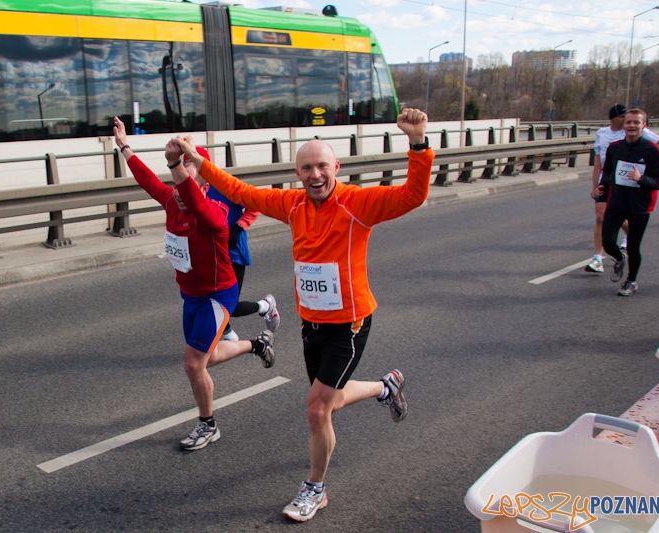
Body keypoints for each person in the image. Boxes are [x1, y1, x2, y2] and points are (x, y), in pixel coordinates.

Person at [172, 108, 433, 522]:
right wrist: (197, 161)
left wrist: (417, 142)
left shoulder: (358, 203)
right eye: (307, 168)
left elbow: (412, 195)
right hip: (312, 324)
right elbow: (239, 191)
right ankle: (384, 388)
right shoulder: (292, 205)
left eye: (322, 166)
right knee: (331, 401)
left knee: (316, 409)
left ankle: (315, 489)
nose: (315, 175)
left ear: (336, 168)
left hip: (349, 325)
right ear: (298, 174)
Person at [112, 117, 275, 451]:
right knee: (207, 358)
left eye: (186, 181)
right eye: (176, 184)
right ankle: (256, 344)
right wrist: (125, 146)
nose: (178, 190)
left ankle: (208, 425)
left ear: (203, 186)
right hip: (191, 297)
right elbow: (146, 179)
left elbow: (195, 200)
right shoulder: (171, 200)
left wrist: (175, 164)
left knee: (192, 362)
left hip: (218, 296)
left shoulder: (214, 213)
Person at [586, 104, 659, 273]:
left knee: (628, 231)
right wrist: (597, 186)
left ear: (642, 125)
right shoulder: (605, 136)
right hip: (610, 184)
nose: (629, 123)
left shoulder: (642, 136)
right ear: (615, 119)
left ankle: (630, 249)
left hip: (634, 193)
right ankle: (598, 258)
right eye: (624, 118)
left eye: (634, 121)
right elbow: (600, 163)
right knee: (600, 218)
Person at [596, 108, 659, 296]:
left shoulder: (652, 150)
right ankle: (619, 258)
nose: (632, 125)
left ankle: (631, 281)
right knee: (608, 242)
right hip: (617, 203)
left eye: (636, 122)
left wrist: (641, 179)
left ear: (644, 126)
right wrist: (602, 188)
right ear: (624, 125)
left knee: (634, 247)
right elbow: (608, 172)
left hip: (640, 206)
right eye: (628, 122)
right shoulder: (615, 147)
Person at [205, 184, 280, 341]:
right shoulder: (194, 188)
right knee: (208, 301)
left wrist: (238, 228)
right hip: (211, 252)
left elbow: (254, 204)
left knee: (229, 306)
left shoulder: (224, 186)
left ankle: (265, 306)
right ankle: (231, 339)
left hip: (234, 253)